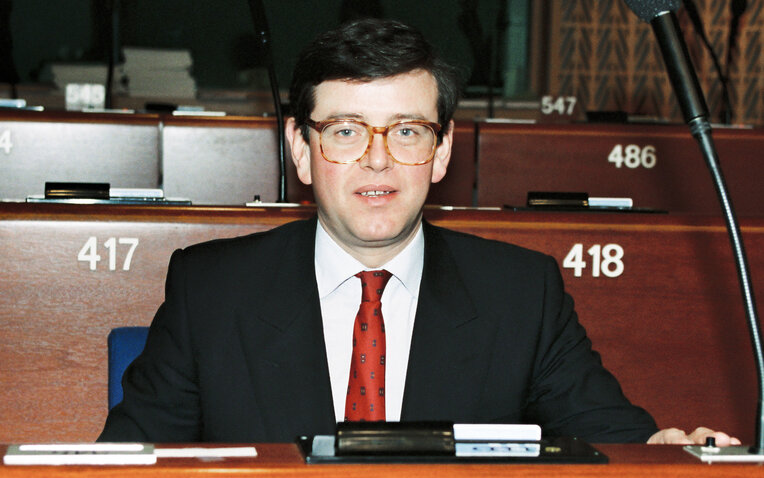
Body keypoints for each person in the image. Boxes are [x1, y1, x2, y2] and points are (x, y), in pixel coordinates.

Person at [99, 18, 738, 446]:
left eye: (407, 131)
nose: (378, 160)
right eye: (346, 131)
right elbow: (124, 470)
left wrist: (667, 452)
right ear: (300, 148)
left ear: (440, 152)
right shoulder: (211, 289)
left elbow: (611, 443)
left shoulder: (521, 293)